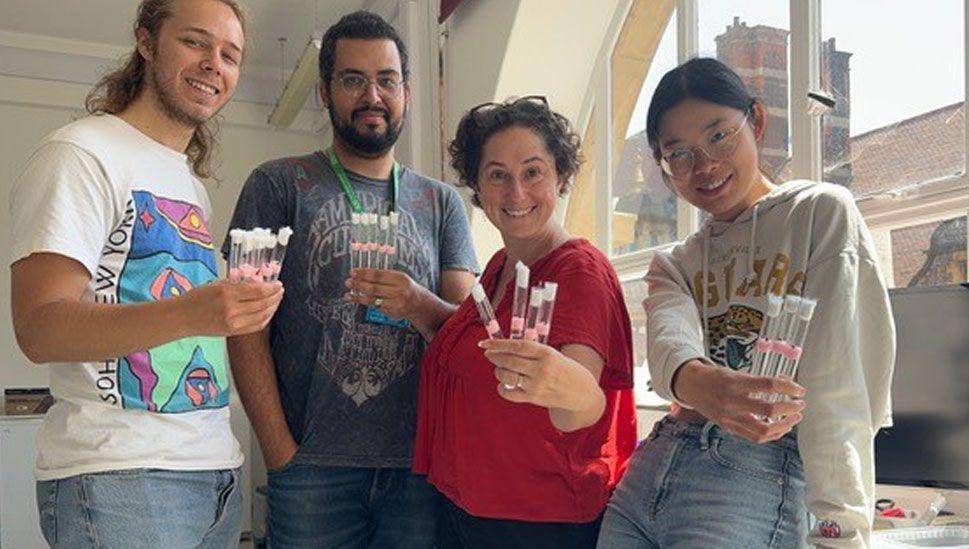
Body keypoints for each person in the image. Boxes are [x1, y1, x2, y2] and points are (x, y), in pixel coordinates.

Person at [8, 1, 283, 547]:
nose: (214, 64)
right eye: (196, 42)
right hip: (120, 477)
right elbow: (38, 327)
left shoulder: (188, 183)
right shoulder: (81, 153)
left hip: (214, 474)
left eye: (230, 55)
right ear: (146, 41)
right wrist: (192, 310)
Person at [597, 57, 895, 548]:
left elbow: (838, 388)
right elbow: (671, 346)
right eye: (679, 154)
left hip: (755, 473)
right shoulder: (674, 262)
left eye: (719, 136)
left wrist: (840, 531)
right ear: (663, 167)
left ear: (755, 121)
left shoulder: (819, 214)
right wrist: (705, 385)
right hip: (647, 475)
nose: (705, 166)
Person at [224, 10, 479, 548]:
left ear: (406, 91)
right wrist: (279, 451)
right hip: (311, 468)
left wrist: (416, 303)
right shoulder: (277, 183)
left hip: (419, 469)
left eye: (387, 80)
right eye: (352, 79)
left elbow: (461, 333)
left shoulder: (442, 202)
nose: (372, 95)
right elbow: (245, 327)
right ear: (325, 91)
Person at [413, 96, 638, 549]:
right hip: (465, 509)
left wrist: (567, 387)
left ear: (561, 177)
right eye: (498, 175)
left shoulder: (579, 272)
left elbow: (580, 405)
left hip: (536, 523)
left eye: (533, 172)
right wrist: (414, 302)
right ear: (478, 187)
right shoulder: (498, 267)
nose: (516, 193)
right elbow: (470, 355)